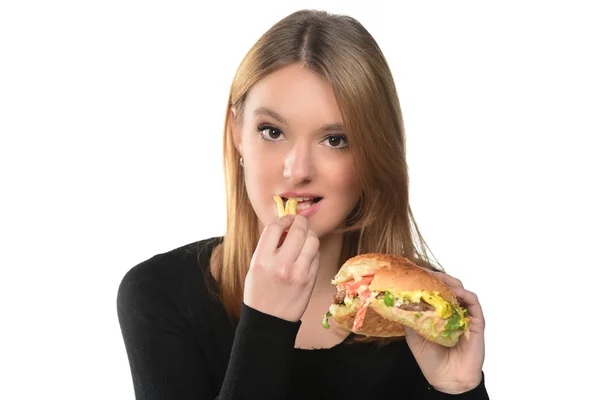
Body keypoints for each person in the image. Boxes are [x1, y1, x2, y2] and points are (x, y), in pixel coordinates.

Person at [117, 9, 489, 399]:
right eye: (272, 131)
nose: (297, 171)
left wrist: (459, 388)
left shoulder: (416, 308)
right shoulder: (161, 293)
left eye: (335, 140)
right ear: (237, 134)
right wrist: (265, 324)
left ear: (374, 153)